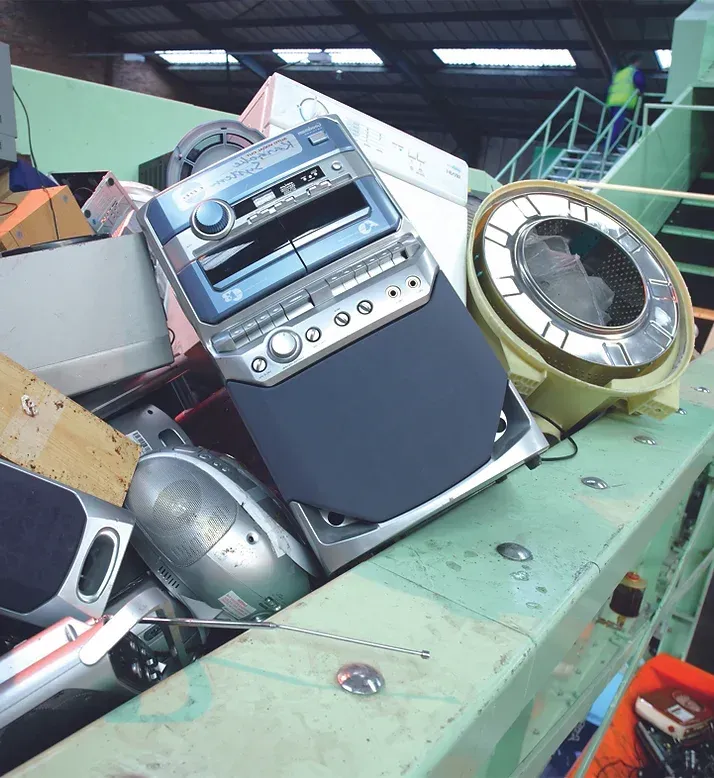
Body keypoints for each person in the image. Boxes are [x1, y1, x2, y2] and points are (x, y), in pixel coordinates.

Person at [605, 54, 645, 151]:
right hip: (623, 102)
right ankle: (609, 146)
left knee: (614, 125)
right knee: (618, 125)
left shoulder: (620, 73)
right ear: (637, 62)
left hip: (613, 101)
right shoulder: (634, 72)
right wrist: (641, 91)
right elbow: (640, 83)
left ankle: (610, 145)